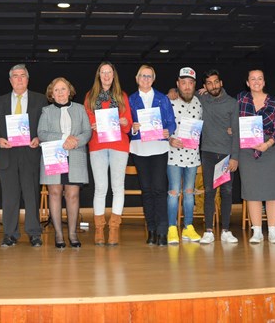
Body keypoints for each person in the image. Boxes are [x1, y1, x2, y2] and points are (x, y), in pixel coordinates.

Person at [0, 64, 48, 247]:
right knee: (10, 197)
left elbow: (46, 125)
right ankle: (10, 234)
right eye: (15, 76)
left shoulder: (41, 100)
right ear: (10, 80)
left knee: (32, 195)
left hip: (31, 153)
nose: (19, 79)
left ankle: (34, 233)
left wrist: (39, 137)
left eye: (22, 76)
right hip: (7, 154)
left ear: (27, 79)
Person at [38, 77, 92, 248]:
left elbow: (87, 131)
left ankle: (73, 234)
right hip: (54, 155)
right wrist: (63, 139)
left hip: (75, 154)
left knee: (73, 195)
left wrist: (75, 141)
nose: (60, 93)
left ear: (70, 91)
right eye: (56, 90)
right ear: (51, 94)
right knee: (54, 194)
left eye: (63, 89)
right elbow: (42, 133)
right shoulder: (46, 111)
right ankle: (59, 235)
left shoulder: (80, 108)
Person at [84, 62, 132, 246]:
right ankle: (99, 229)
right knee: (100, 188)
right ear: (98, 75)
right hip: (97, 145)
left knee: (118, 187)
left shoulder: (122, 96)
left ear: (114, 75)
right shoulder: (90, 96)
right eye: (103, 72)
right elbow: (87, 119)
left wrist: (123, 121)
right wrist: (92, 125)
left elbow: (128, 125)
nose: (106, 76)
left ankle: (113, 229)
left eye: (109, 72)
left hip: (119, 145)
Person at [129, 65, 176, 246]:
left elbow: (171, 122)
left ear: (153, 79)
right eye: (142, 76)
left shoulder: (163, 98)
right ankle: (152, 230)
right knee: (147, 191)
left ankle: (163, 231)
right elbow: (126, 126)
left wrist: (168, 131)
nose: (146, 79)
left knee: (159, 189)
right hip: (139, 148)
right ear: (137, 78)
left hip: (158, 148)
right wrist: (133, 128)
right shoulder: (131, 99)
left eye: (149, 76)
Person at [237, 69, 275, 244]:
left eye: (260, 79)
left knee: (273, 191)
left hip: (270, 149)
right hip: (247, 151)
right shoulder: (241, 100)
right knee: (252, 192)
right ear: (248, 83)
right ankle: (256, 231)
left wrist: (267, 144)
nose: (256, 82)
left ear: (264, 82)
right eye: (253, 79)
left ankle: (273, 231)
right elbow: (230, 117)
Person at [198, 70, 240, 244]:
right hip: (207, 152)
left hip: (225, 153)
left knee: (227, 192)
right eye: (209, 83)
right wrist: (173, 91)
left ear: (221, 83)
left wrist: (234, 157)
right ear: (205, 86)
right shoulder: (201, 99)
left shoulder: (232, 103)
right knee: (209, 191)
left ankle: (225, 230)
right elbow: (184, 94)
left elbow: (236, 131)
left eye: (216, 82)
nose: (213, 86)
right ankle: (208, 231)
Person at [167, 67, 202, 245]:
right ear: (177, 84)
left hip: (193, 156)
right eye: (183, 83)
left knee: (189, 193)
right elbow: (160, 126)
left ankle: (188, 226)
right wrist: (169, 139)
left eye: (190, 83)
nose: (187, 87)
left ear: (194, 85)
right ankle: (172, 227)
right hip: (173, 156)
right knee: (174, 192)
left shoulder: (199, 102)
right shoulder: (169, 101)